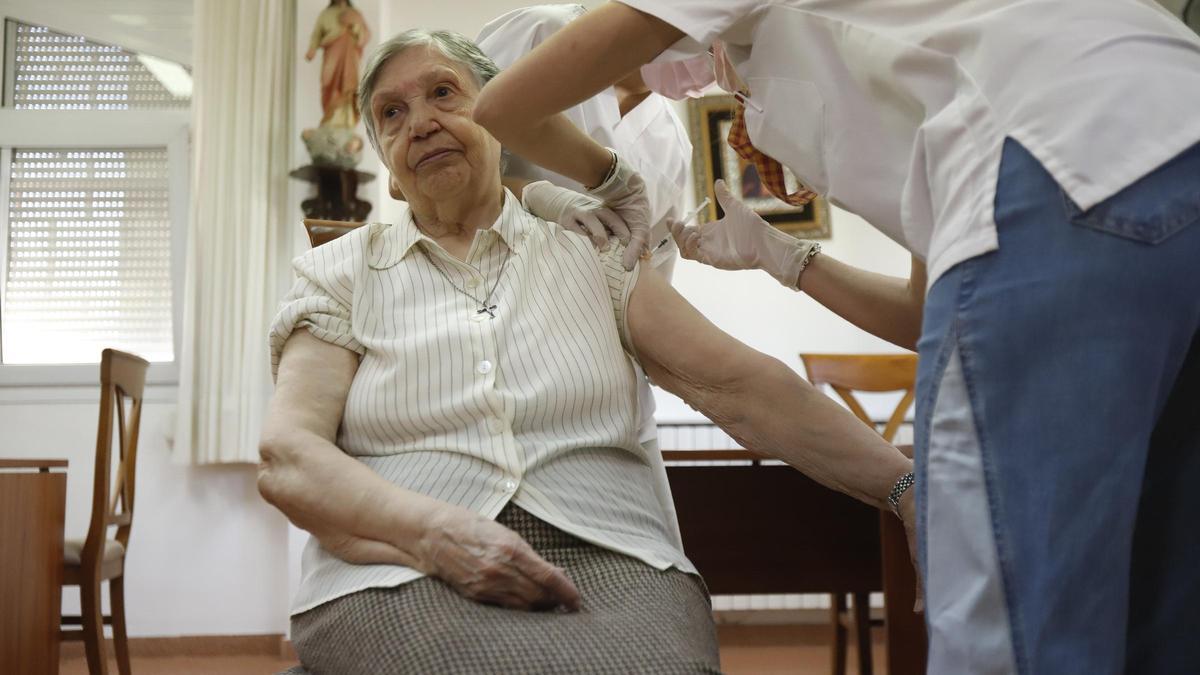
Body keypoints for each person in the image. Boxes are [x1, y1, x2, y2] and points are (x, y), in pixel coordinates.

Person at [472, 2, 1200, 673]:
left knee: (1010, 616)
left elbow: (504, 102)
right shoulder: (931, 47)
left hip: (1049, 168)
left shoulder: (697, 62)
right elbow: (922, 313)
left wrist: (610, 179)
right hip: (1175, 134)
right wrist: (785, 258)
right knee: (1161, 597)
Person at [259, 28, 914, 674]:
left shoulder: (592, 247)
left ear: (500, 125)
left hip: (616, 559)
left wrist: (906, 486)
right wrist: (432, 533)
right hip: (400, 568)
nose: (422, 123)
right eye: (393, 115)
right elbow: (291, 456)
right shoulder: (339, 272)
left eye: (443, 94)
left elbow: (738, 384)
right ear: (392, 174)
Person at [304, 0, 371, 128]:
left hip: (350, 56)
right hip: (331, 53)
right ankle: (330, 117)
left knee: (349, 84)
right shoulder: (325, 14)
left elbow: (366, 35)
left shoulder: (355, 13)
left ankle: (347, 119)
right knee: (328, 82)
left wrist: (354, 24)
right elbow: (316, 34)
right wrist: (312, 49)